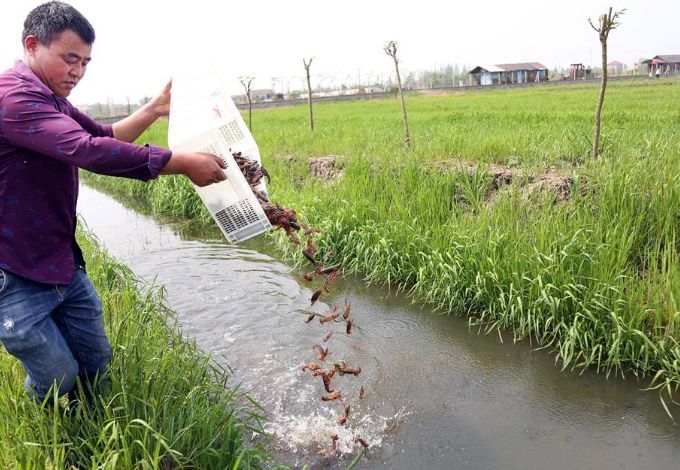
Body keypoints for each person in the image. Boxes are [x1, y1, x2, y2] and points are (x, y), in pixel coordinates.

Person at [0, 1, 226, 403]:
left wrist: (156, 109)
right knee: (58, 375)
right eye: (70, 59)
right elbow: (87, 151)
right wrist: (182, 163)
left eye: (86, 62)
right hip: (14, 268)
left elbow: (105, 135)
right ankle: (50, 434)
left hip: (59, 259)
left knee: (96, 360)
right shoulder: (14, 99)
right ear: (32, 45)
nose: (78, 72)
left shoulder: (51, 97)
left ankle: (95, 423)